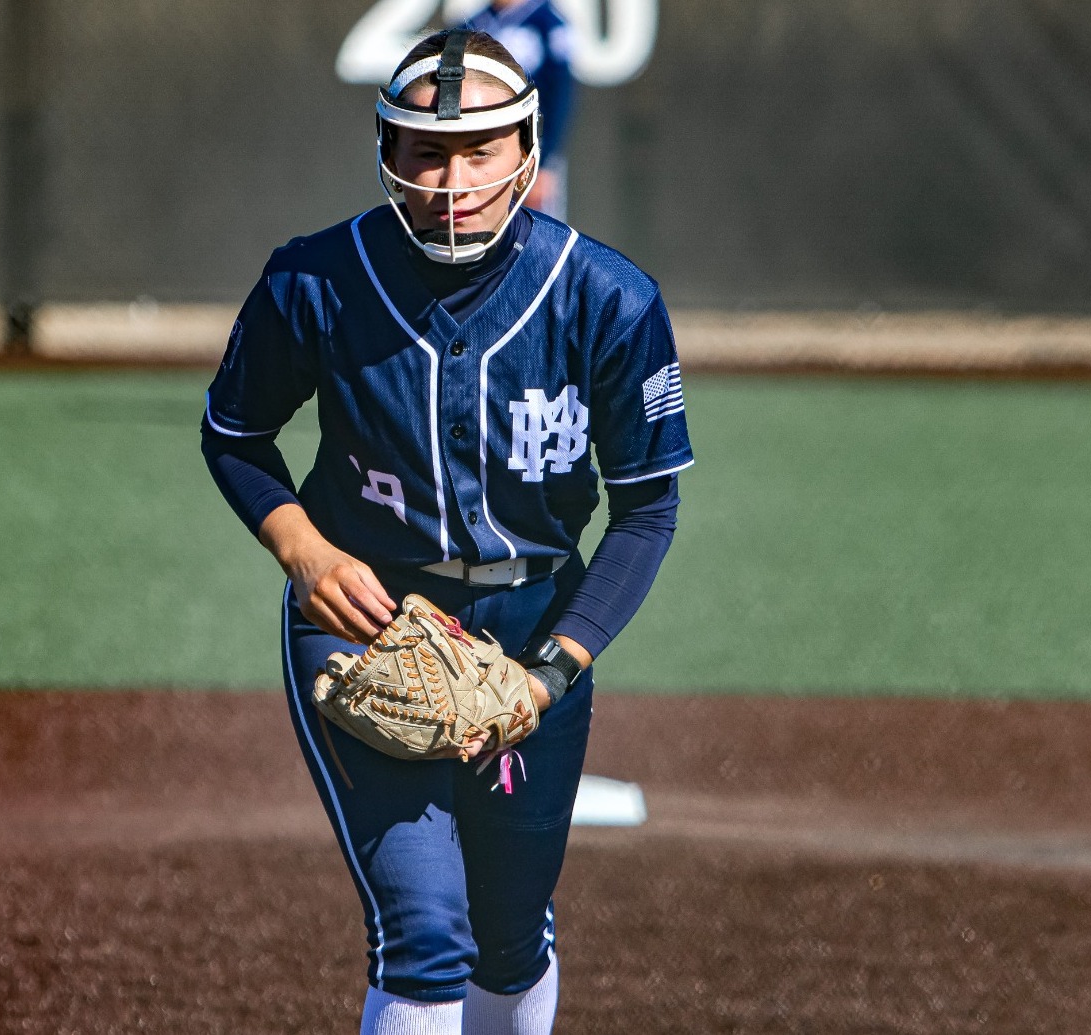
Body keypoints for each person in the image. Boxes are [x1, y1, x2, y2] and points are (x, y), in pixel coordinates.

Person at [201, 27, 692, 1035]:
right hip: (366, 621)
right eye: (425, 152)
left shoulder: (609, 298)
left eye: (479, 150)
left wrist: (552, 670)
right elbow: (234, 434)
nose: (451, 180)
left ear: (526, 150)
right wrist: (303, 548)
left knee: (508, 941)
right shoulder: (313, 280)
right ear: (386, 154)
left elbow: (647, 507)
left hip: (534, 628)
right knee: (424, 935)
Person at [463, 0, 575, 219]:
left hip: (532, 144)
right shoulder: (472, 24)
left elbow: (560, 97)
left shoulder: (548, 23)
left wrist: (544, 162)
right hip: (478, 146)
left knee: (537, 227)